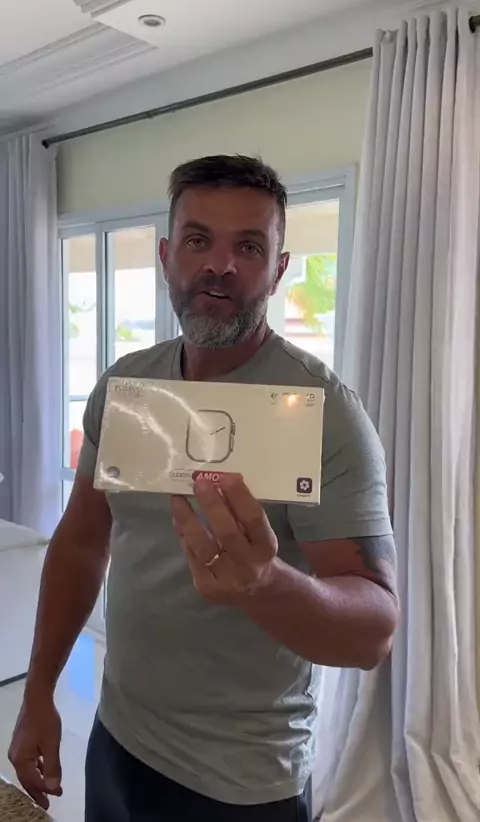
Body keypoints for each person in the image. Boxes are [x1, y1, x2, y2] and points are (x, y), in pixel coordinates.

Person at [8, 155, 399, 822]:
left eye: (249, 247)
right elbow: (80, 542)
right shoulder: (128, 390)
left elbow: (373, 633)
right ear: (167, 257)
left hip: (244, 780)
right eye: (198, 240)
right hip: (118, 738)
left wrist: (265, 584)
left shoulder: (324, 414)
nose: (220, 265)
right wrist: (38, 691)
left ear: (278, 269)